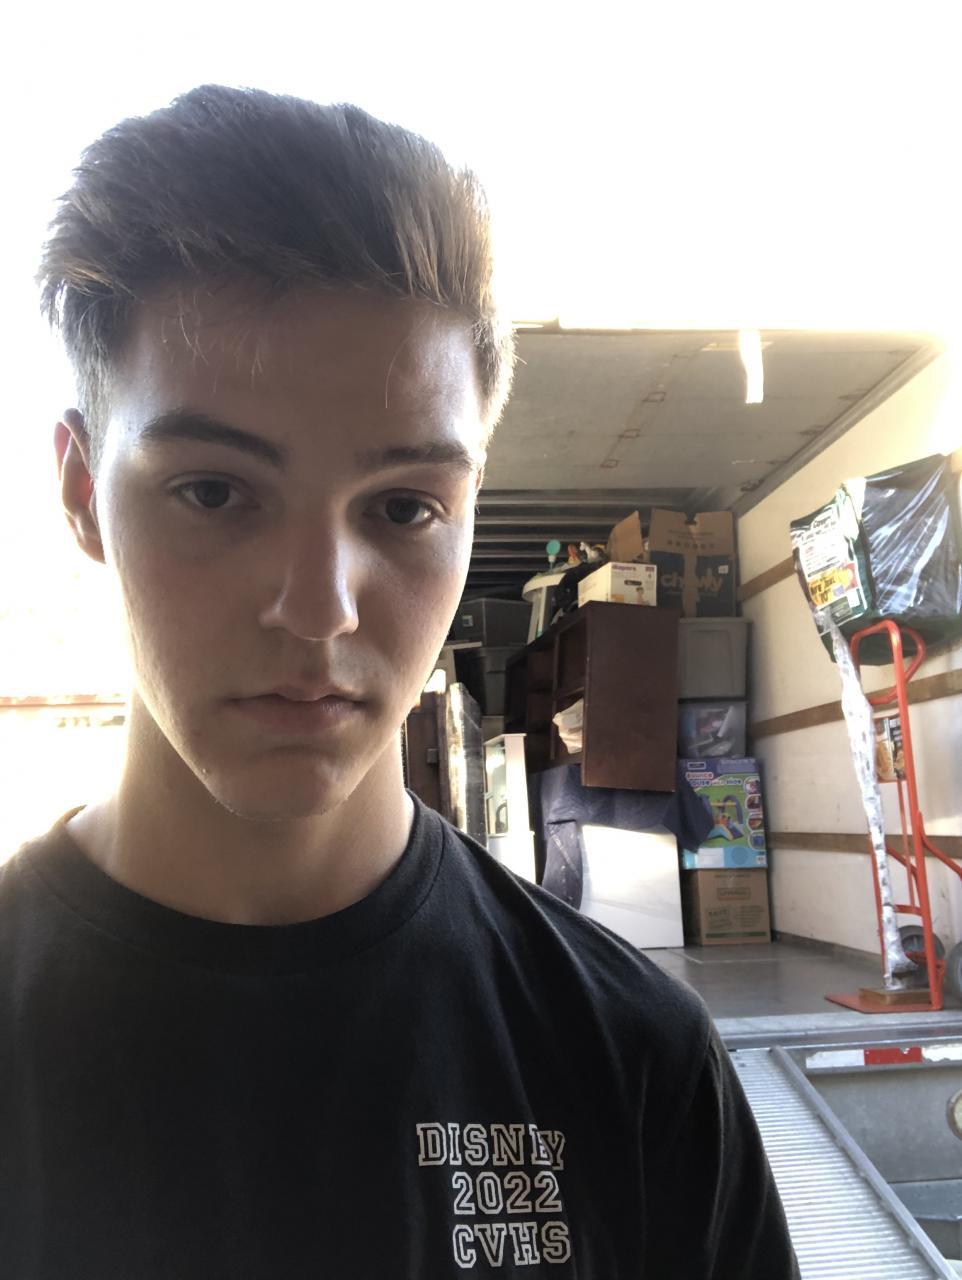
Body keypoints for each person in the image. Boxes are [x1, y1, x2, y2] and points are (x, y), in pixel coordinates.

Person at [0, 84, 800, 1277]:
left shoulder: (635, 1061)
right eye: (214, 490)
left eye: (403, 507)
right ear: (80, 492)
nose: (317, 606)